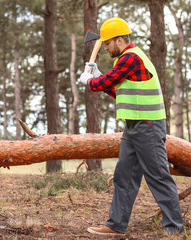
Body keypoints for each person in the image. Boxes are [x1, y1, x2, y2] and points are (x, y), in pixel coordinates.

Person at [78, 17, 184, 236]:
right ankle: (115, 225)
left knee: (158, 176)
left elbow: (106, 83)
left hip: (148, 126)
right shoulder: (125, 62)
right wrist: (97, 78)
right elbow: (119, 92)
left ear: (119, 40)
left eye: (107, 44)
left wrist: (91, 81)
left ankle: (174, 230)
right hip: (133, 126)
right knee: (124, 176)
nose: (106, 48)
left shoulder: (131, 58)